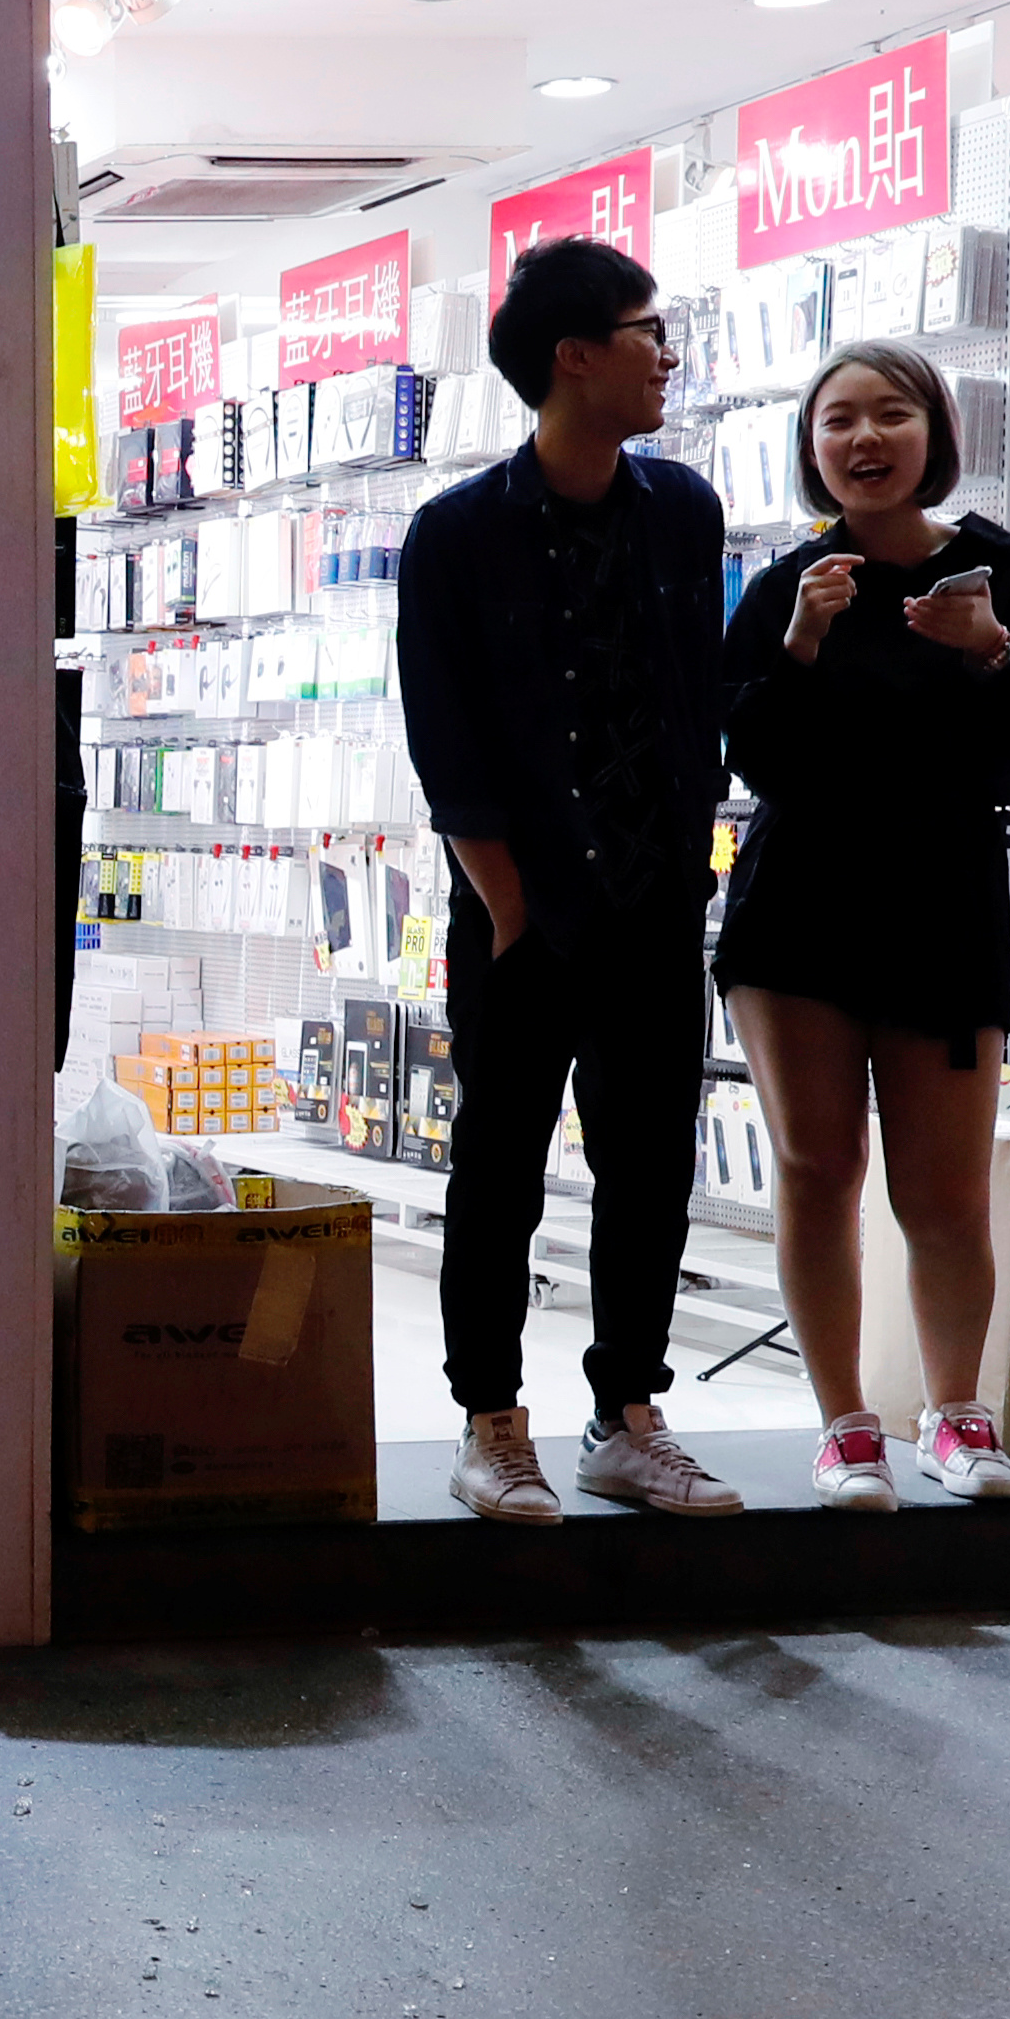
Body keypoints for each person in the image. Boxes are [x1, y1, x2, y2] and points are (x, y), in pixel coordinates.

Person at [394, 237, 743, 1523]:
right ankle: (491, 1421)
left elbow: (694, 701)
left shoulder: (684, 508)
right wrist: (505, 904)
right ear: (572, 356)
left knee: (649, 1165)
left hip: (656, 907)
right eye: (647, 331)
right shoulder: (455, 534)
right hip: (521, 914)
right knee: (498, 1165)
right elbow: (448, 738)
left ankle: (626, 1413)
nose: (665, 356)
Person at [714, 345, 1010, 1509]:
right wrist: (797, 647)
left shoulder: (994, 569)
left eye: (889, 414)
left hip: (940, 904)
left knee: (943, 1191)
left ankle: (957, 1415)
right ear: (809, 445)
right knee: (817, 1167)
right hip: (798, 910)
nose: (862, 438)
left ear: (932, 433)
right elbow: (748, 755)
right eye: (836, 420)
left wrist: (990, 650)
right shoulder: (787, 582)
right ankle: (842, 1428)